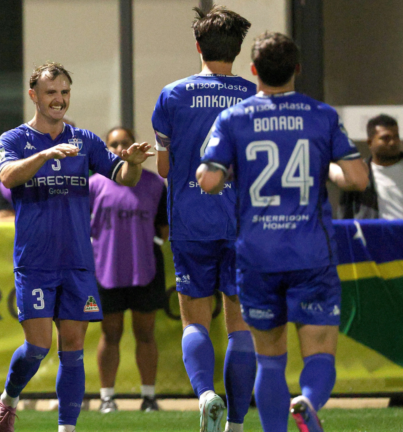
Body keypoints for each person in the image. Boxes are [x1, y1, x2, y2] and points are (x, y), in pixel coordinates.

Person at [197, 31, 368, 432]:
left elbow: (208, 181)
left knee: (270, 358)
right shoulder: (321, 115)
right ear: (297, 69)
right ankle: (307, 400)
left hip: (257, 256)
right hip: (311, 253)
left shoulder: (234, 119)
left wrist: (220, 166)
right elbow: (358, 178)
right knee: (320, 354)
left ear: (254, 70)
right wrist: (326, 166)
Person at [0, 62, 153, 432]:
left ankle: (67, 428)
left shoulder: (86, 140)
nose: (59, 100)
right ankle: (9, 399)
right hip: (35, 260)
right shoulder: (13, 140)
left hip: (77, 260)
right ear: (34, 96)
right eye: (51, 93)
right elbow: (7, 176)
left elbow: (124, 178)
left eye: (64, 92)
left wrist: (133, 164)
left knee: (73, 347)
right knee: (36, 347)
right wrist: (45, 155)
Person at [151, 5, 257, 431]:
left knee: (194, 320)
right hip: (240, 224)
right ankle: (235, 424)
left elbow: (162, 168)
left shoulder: (172, 94)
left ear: (198, 46)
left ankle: (205, 394)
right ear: (238, 49)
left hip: (191, 222)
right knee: (240, 327)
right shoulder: (253, 95)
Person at [90, 127, 168, 414]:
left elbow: (164, 228)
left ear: (134, 146)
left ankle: (148, 398)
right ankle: (107, 398)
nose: (120, 148)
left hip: (144, 270)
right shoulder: (94, 183)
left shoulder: (155, 184)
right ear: (106, 149)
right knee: (110, 335)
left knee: (146, 334)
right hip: (105, 270)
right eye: (113, 144)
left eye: (125, 142)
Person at [338, 114, 403, 219]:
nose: (393, 143)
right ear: (370, 142)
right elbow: (346, 214)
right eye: (385, 138)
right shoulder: (358, 173)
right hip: (374, 234)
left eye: (396, 137)